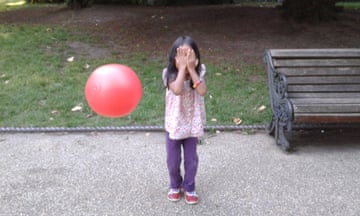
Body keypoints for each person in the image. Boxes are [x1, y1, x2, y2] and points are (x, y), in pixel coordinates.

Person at [162, 36, 207, 205]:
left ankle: (189, 187)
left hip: (192, 125)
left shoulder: (200, 71)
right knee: (172, 160)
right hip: (174, 125)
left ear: (196, 57)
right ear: (174, 58)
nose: (185, 59)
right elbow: (178, 90)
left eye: (189, 55)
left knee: (191, 159)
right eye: (181, 55)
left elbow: (201, 90)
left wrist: (192, 69)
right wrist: (182, 69)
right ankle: (175, 185)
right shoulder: (169, 74)